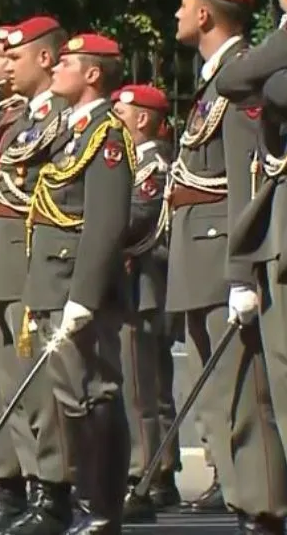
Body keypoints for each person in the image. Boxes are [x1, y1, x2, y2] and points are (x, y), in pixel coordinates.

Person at [12, 32, 133, 535]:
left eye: (67, 63)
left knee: (94, 392)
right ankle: (88, 504)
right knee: (70, 396)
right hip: (50, 280)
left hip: (73, 286)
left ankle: (104, 510)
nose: (55, 69)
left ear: (92, 74)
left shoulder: (106, 134)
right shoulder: (69, 131)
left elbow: (105, 222)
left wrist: (84, 295)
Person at [0, 15, 71, 532]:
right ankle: (24, 491)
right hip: (0, 259)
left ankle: (53, 493)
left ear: (44, 58)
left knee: (35, 385)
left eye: (16, 55)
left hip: (28, 259)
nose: (5, 64)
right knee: (12, 389)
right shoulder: (23, 118)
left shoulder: (61, 118)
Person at [168, 0, 275, 520]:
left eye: (184, 5)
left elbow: (246, 181)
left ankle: (261, 515)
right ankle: (242, 508)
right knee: (216, 401)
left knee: (241, 403)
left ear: (205, 14)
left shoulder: (239, 78)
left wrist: (241, 273)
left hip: (222, 261)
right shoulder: (213, 82)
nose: (178, 15)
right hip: (198, 260)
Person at [210, 0, 287, 534]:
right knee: (285, 384)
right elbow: (240, 81)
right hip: (277, 223)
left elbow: (261, 85)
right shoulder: (284, 33)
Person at [111, 84, 173, 523]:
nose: (115, 118)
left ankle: (143, 477)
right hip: (133, 285)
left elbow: (135, 217)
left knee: (140, 390)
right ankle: (162, 469)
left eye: (121, 111)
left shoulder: (151, 163)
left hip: (141, 287)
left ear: (143, 120)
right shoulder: (134, 161)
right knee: (149, 386)